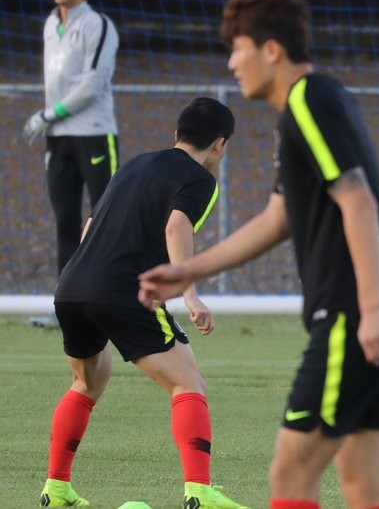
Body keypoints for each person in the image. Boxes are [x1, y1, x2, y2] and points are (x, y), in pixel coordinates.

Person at [138, 0, 379, 509]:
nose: (231, 63)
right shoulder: (317, 103)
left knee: (290, 474)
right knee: (364, 484)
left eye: (237, 48)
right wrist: (188, 271)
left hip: (353, 319)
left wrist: (370, 309)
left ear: (270, 50)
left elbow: (357, 201)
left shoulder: (307, 102)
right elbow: (279, 218)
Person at [38, 98, 247, 509]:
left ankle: (56, 488)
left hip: (73, 285)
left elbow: (90, 225)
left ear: (176, 134)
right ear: (219, 144)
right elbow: (176, 226)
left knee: (87, 382)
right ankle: (199, 492)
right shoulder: (201, 179)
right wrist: (190, 294)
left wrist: (88, 278)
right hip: (122, 291)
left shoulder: (133, 165)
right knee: (187, 383)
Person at [23, 0, 120, 328]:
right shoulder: (50, 23)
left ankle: (114, 301)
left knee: (106, 218)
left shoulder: (98, 25)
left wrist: (49, 114)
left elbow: (92, 85)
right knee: (65, 221)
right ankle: (65, 307)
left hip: (94, 133)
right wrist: (51, 121)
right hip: (58, 140)